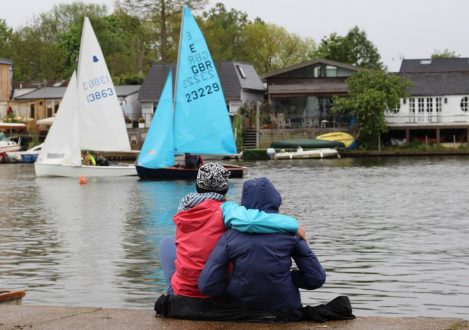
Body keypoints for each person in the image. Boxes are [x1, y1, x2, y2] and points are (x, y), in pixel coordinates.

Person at [159, 163, 304, 298]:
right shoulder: (226, 209)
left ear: (197, 185)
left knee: (167, 242)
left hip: (182, 291)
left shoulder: (184, 208)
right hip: (215, 289)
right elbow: (252, 220)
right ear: (225, 188)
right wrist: (293, 224)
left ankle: (172, 295)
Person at [198, 177, 326, 311]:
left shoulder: (229, 237)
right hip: (285, 309)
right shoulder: (291, 234)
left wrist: (234, 287)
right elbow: (316, 278)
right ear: (275, 200)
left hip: (241, 309)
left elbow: (207, 284)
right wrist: (290, 278)